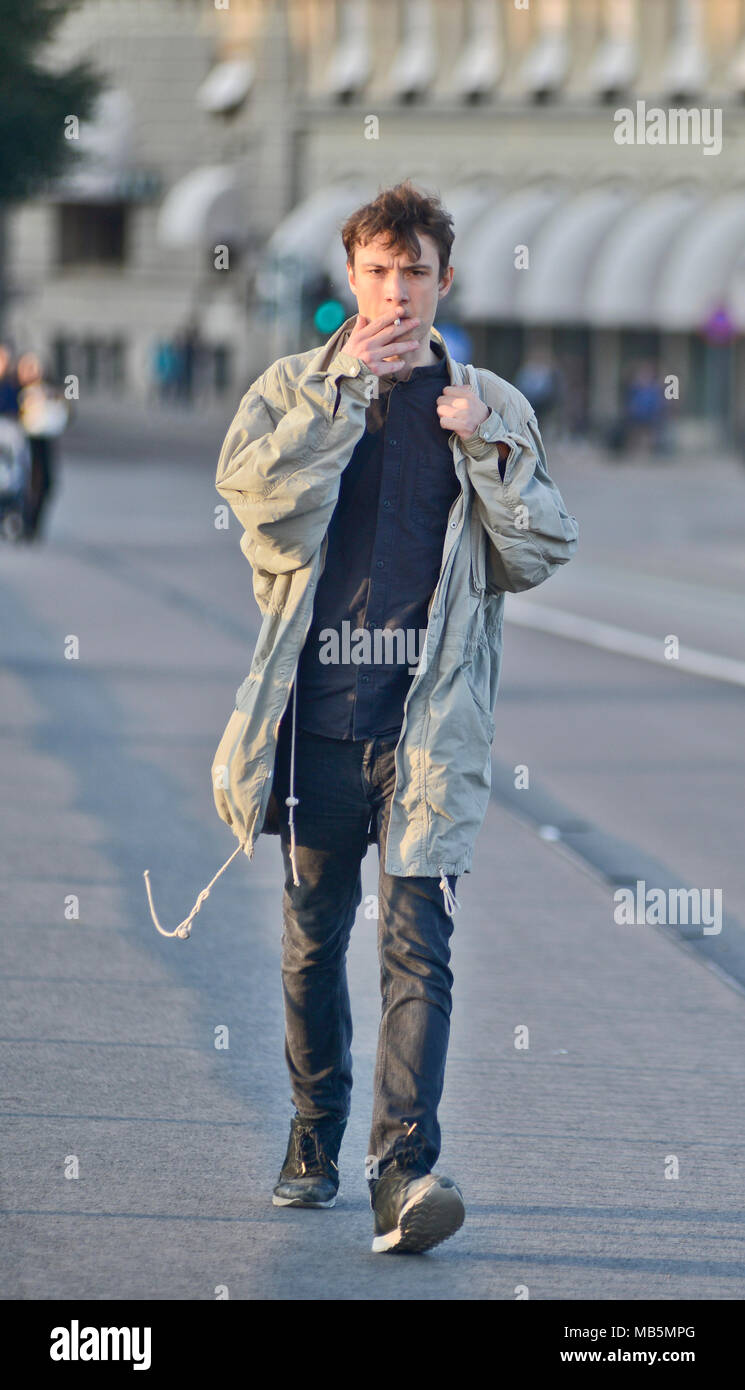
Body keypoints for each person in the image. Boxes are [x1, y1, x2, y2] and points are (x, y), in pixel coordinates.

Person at [211, 181, 578, 1254]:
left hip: (428, 724)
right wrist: (339, 406)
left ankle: (403, 1174)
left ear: (443, 281)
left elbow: (539, 549)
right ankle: (312, 1133)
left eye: (415, 271)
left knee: (420, 950)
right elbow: (256, 504)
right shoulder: (292, 388)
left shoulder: (489, 403)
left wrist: (486, 451)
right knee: (311, 942)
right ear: (351, 278)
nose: (396, 290)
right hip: (317, 718)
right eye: (377, 271)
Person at [16, 352, 68, 541]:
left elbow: (68, 411)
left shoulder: (50, 390)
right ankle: (25, 523)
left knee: (45, 483)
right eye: (28, 368)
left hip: (42, 442)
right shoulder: (15, 390)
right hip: (22, 443)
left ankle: (33, 525)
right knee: (24, 483)